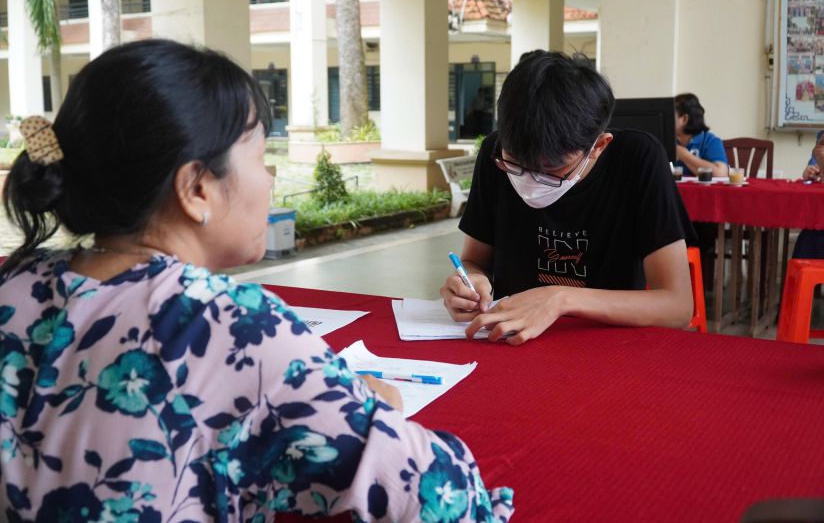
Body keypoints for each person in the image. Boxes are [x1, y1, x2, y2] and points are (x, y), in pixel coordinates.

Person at [0, 40, 513, 521]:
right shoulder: (227, 326)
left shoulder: (15, 286)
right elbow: (445, 498)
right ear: (197, 188)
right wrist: (373, 409)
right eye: (259, 154)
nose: (269, 176)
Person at [439, 51, 694, 346]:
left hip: (603, 347)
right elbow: (473, 260)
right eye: (515, 164)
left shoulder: (638, 159)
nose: (530, 181)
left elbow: (677, 306)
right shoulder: (495, 151)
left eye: (552, 169)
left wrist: (559, 299)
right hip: (510, 343)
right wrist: (471, 283)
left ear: (598, 146)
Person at [674, 93, 728, 177]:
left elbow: (720, 174)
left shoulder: (710, 141)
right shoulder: (664, 141)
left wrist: (684, 155)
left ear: (684, 119)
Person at [794, 130, 824, 258]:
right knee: (808, 237)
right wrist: (810, 172)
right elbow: (814, 166)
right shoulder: (822, 136)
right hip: (818, 217)